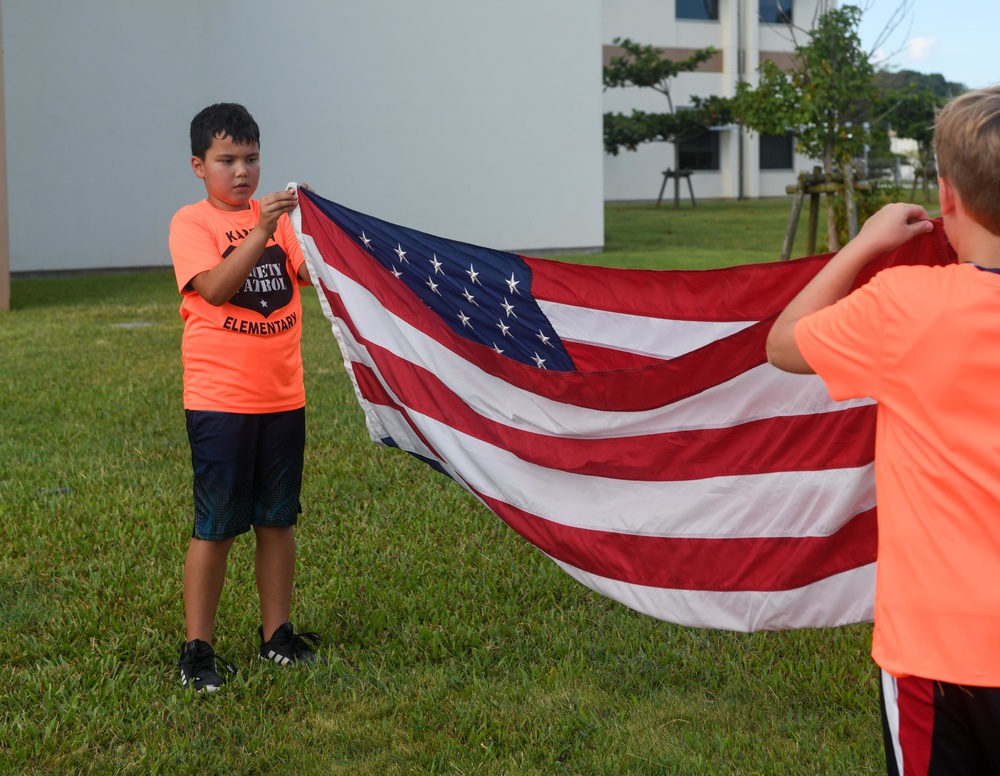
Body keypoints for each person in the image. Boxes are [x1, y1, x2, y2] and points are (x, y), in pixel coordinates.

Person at [767, 86, 1000, 774]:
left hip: (938, 650)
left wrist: (865, 245)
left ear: (946, 195)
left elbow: (783, 344)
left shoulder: (907, 308)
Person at [169, 102, 320, 692]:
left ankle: (276, 634)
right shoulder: (193, 222)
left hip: (283, 397)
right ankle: (197, 649)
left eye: (251, 159)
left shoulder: (278, 219)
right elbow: (216, 287)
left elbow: (316, 272)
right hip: (220, 401)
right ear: (198, 165)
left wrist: (315, 220)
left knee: (277, 520)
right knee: (218, 525)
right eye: (226, 160)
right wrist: (260, 229)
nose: (241, 171)